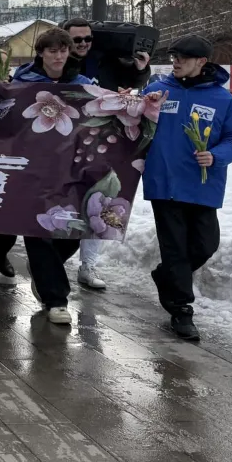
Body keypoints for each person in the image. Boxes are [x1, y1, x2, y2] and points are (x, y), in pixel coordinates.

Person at [142, 36, 232, 341]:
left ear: (202, 62)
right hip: (165, 183)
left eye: (183, 58)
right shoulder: (158, 91)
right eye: (174, 56)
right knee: (174, 246)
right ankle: (181, 310)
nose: (176, 62)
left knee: (204, 245)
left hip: (203, 185)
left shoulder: (222, 99)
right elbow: (133, 118)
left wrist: (216, 155)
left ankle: (166, 277)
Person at [12, 28, 99, 325]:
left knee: (73, 230)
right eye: (52, 51)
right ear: (41, 53)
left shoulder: (83, 83)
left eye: (63, 50)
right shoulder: (22, 82)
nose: (59, 56)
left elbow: (103, 110)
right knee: (37, 230)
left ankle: (44, 272)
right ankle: (56, 300)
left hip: (71, 167)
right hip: (32, 167)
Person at [63, 17, 152, 291]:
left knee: (99, 201)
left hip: (99, 140)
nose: (83, 44)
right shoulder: (57, 60)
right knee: (64, 202)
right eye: (76, 39)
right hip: (62, 143)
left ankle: (88, 266)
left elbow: (131, 82)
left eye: (88, 39)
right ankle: (50, 258)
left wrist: (140, 70)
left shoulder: (107, 60)